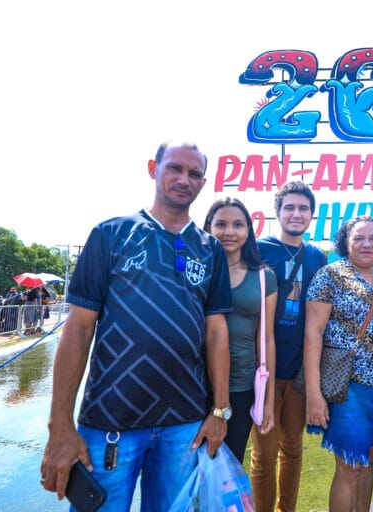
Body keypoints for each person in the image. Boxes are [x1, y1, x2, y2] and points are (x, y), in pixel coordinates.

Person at [40, 142, 232, 511]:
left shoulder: (210, 249)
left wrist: (219, 410)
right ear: (152, 168)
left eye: (194, 174)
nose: (183, 179)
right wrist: (60, 423)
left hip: (184, 425)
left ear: (203, 183)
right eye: (174, 168)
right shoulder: (110, 235)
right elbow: (78, 331)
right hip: (111, 421)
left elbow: (216, 332)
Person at [304, 215, 373, 512]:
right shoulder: (329, 275)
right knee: (349, 468)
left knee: (368, 464)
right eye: (359, 238)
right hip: (350, 387)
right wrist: (314, 393)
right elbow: (314, 333)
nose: (367, 244)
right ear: (345, 243)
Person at [250, 181, 327, 512]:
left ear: (312, 214)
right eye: (290, 208)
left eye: (303, 208)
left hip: (298, 372)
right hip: (262, 370)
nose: (297, 214)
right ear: (277, 212)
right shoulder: (257, 249)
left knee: (292, 448)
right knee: (263, 456)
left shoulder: (316, 256)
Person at [203, 197, 278, 463]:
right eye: (221, 224)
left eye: (238, 224)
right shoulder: (196, 271)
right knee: (186, 471)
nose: (229, 232)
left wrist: (267, 402)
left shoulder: (263, 277)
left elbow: (267, 340)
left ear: (248, 231)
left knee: (227, 469)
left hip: (241, 387)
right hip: (193, 385)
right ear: (209, 228)